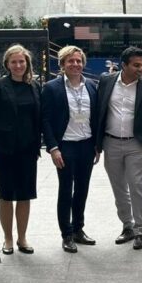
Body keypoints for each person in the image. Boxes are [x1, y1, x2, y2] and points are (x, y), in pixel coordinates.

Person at [95, 46, 142, 250]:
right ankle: (127, 226)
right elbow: (99, 111)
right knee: (119, 188)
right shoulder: (106, 81)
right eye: (136, 65)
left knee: (138, 187)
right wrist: (98, 144)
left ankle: (141, 230)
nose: (141, 68)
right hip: (111, 142)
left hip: (137, 144)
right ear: (123, 65)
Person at [41, 45, 99, 253]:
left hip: (86, 144)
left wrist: (97, 146)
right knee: (66, 190)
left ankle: (78, 229)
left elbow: (97, 116)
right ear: (63, 64)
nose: (75, 64)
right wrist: (53, 148)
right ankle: (66, 234)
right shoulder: (51, 88)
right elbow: (45, 120)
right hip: (65, 145)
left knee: (82, 189)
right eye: (70, 61)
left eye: (78, 61)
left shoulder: (92, 86)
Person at [0, 45, 43, 255]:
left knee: (25, 194)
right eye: (14, 62)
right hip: (4, 149)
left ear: (27, 63)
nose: (18, 65)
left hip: (28, 149)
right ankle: (8, 238)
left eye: (22, 61)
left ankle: (22, 237)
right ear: (7, 64)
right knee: (6, 194)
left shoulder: (35, 87)